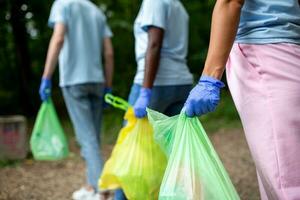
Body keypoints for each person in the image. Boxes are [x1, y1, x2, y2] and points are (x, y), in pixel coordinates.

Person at [184, 0, 300, 199]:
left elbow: (230, 2)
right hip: (288, 47)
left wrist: (209, 79)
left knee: (286, 178)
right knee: (279, 172)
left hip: (266, 52)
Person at [114, 0, 194, 199]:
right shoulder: (179, 6)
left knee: (131, 152)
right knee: (176, 154)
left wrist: (145, 91)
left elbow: (155, 42)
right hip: (182, 83)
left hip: (154, 84)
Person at [39, 0, 114, 199]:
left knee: (86, 138)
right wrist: (108, 84)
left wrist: (46, 76)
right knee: (93, 137)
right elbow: (108, 52)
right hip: (97, 81)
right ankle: (91, 186)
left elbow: (58, 39)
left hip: (73, 80)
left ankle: (101, 189)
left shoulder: (62, 4)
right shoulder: (97, 11)